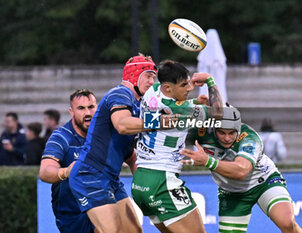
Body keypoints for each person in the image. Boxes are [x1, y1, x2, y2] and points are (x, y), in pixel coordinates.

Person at [69, 54, 163, 233]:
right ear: (134, 75)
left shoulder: (138, 105)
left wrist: (145, 184)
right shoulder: (120, 93)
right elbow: (122, 125)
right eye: (149, 76)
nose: (152, 82)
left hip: (111, 179)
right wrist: (162, 121)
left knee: (133, 231)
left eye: (154, 77)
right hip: (90, 175)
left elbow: (131, 156)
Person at [181, 104, 302, 233]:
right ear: (214, 128)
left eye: (231, 133)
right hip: (231, 192)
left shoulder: (249, 137)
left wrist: (208, 161)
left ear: (238, 129)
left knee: (287, 223)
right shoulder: (201, 132)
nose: (227, 138)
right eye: (222, 132)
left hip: (264, 182)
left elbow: (241, 170)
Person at [131, 60, 223, 233]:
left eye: (188, 82)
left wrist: (195, 101)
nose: (189, 88)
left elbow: (171, 104)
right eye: (184, 85)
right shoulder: (182, 109)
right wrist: (210, 80)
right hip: (162, 181)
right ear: (167, 88)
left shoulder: (153, 90)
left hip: (141, 180)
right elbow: (219, 115)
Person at [39, 89, 97, 233]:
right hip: (73, 214)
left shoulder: (103, 134)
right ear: (71, 112)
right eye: (81, 108)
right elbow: (45, 172)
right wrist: (66, 172)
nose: (88, 113)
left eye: (91, 107)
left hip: (99, 204)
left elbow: (130, 155)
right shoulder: (61, 137)